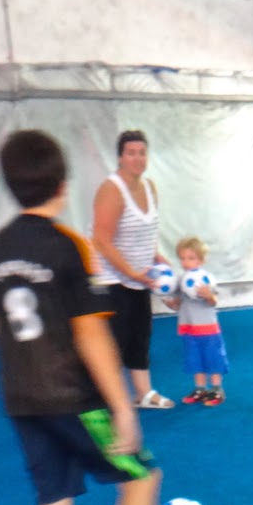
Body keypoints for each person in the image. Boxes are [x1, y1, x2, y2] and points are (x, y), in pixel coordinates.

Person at [0, 129, 201, 505]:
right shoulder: (66, 246)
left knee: (52, 502)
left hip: (23, 399)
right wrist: (123, 407)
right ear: (63, 184)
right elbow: (89, 332)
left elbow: (2, 327)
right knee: (142, 478)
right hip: (73, 398)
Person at [91, 129, 174, 410]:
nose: (137, 158)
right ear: (120, 157)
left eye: (142, 153)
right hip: (111, 278)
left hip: (140, 276)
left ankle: (143, 394)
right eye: (131, 153)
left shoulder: (150, 187)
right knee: (115, 342)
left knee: (141, 334)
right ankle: (105, 400)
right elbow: (101, 240)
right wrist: (130, 272)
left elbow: (147, 231)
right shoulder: (111, 189)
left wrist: (156, 257)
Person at [172, 237, 228, 405]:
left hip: (208, 329)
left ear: (201, 260)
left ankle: (217, 389)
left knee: (213, 359)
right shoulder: (181, 280)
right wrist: (167, 298)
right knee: (194, 360)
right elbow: (176, 305)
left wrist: (208, 295)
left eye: (191, 258)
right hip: (189, 328)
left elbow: (214, 302)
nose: (186, 262)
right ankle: (200, 389)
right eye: (182, 258)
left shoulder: (206, 279)